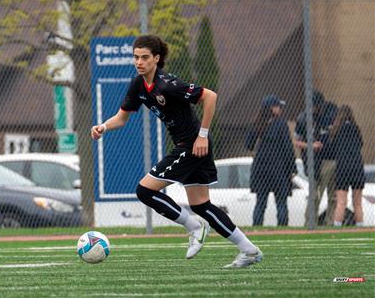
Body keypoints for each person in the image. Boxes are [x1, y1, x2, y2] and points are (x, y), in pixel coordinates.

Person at [91, 35, 262, 268]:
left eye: (144, 57)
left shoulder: (167, 84)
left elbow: (210, 96)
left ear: (156, 59)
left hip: (192, 145)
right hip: (188, 146)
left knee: (144, 191)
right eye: (135, 57)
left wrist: (202, 135)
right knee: (201, 205)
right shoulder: (138, 84)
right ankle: (249, 250)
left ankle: (194, 227)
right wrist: (103, 127)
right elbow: (122, 118)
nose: (139, 62)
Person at [245, 95, 297, 226]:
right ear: (272, 108)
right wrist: (292, 168)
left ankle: (257, 227)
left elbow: (249, 145)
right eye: (278, 106)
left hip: (261, 169)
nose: (280, 109)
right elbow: (288, 148)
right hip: (278, 169)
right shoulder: (280, 123)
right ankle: (283, 228)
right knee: (281, 202)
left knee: (261, 202)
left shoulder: (257, 122)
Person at [293, 90, 335, 226]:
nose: (314, 109)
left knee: (333, 195)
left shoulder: (330, 115)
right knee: (314, 195)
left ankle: (330, 223)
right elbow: (296, 141)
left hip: (329, 160)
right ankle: (310, 223)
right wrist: (310, 145)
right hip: (312, 162)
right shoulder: (303, 118)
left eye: (317, 106)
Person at [330, 105, 365, 227]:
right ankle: (360, 228)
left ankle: (337, 227)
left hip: (343, 167)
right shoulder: (355, 129)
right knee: (357, 203)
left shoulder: (336, 130)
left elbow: (332, 149)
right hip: (357, 166)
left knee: (341, 202)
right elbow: (360, 144)